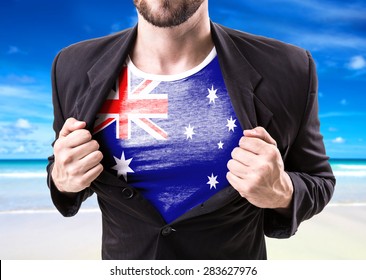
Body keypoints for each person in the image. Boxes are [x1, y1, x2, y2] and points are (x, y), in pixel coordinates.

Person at [47, 0, 335, 259]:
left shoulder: (288, 67)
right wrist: (62, 179)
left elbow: (319, 180)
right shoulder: (71, 66)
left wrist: (281, 192)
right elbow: (63, 167)